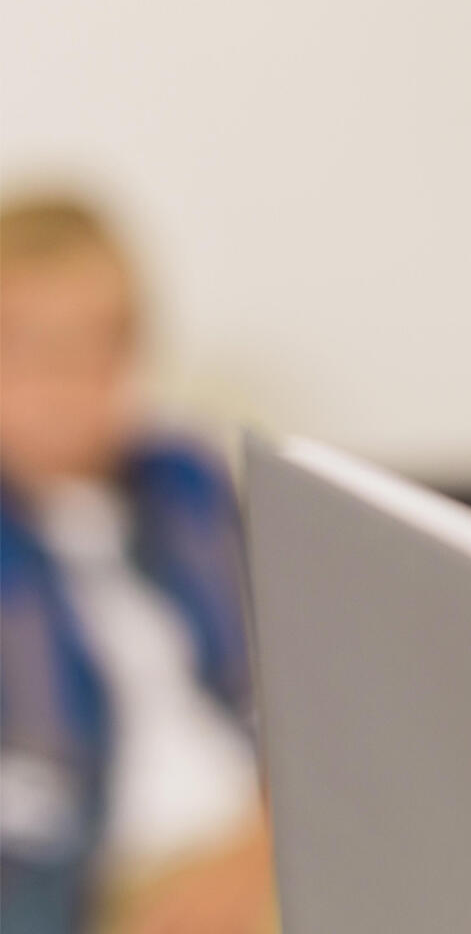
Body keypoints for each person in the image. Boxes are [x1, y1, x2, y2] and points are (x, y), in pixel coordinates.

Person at [0, 192, 276, 934]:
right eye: (28, 346)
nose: (66, 380)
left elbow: (285, 687)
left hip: (259, 840)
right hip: (83, 886)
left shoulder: (185, 486)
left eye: (99, 344)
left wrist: (257, 847)